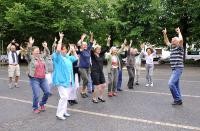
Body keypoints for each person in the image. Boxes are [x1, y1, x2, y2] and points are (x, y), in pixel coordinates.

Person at [52, 32, 78, 120]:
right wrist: (61, 39)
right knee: (64, 97)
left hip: (69, 81)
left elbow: (76, 58)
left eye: (66, 49)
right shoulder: (57, 57)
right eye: (64, 49)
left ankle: (64, 111)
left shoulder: (67, 57)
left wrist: (73, 50)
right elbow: (58, 50)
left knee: (66, 97)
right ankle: (59, 114)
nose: (65, 50)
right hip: (61, 81)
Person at [26, 37, 50, 114]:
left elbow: (48, 53)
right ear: (32, 52)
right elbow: (27, 53)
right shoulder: (30, 58)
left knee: (47, 92)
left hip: (43, 78)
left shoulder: (41, 57)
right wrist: (30, 44)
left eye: (38, 51)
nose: (38, 52)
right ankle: (35, 107)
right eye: (36, 51)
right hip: (34, 79)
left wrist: (45, 47)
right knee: (36, 94)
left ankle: (42, 104)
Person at [162, 27, 184, 105]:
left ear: (177, 41)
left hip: (178, 68)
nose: (172, 41)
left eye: (173, 40)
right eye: (172, 40)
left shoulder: (179, 47)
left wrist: (179, 32)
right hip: (174, 69)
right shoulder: (172, 47)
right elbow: (166, 41)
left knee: (171, 84)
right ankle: (179, 99)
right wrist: (165, 34)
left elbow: (181, 40)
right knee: (176, 85)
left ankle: (177, 99)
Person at [90, 38, 109, 103]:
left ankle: (100, 97)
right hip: (94, 72)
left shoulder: (101, 54)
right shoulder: (93, 55)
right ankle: (94, 98)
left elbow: (107, 48)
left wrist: (108, 40)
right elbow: (91, 50)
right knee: (97, 86)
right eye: (98, 49)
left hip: (101, 72)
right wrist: (94, 44)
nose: (99, 50)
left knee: (104, 85)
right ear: (95, 49)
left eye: (100, 49)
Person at [77, 33, 94, 98]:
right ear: (82, 46)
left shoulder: (88, 50)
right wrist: (82, 38)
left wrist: (91, 36)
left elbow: (91, 43)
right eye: (84, 45)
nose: (85, 45)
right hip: (82, 68)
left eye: (86, 45)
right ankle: (82, 91)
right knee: (86, 79)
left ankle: (83, 91)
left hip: (88, 67)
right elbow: (78, 44)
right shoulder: (81, 51)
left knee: (86, 80)